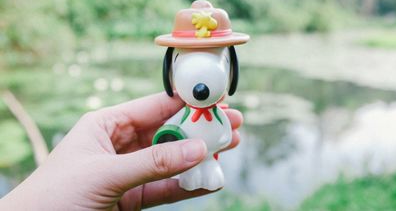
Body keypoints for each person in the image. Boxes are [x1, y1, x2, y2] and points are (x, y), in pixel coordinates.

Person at [0, 92, 243, 210]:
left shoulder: (217, 114)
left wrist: (217, 143)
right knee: (189, 178)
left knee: (209, 171)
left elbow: (224, 134)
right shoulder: (184, 110)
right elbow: (172, 126)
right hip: (190, 162)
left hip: (209, 158)